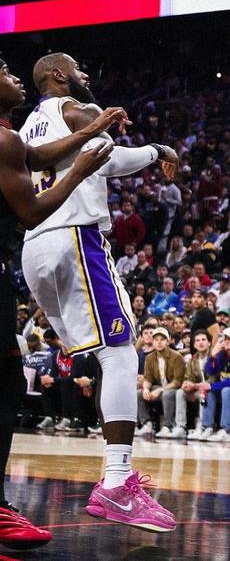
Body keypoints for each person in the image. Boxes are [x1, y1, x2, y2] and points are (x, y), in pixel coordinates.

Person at [19, 52, 179, 532]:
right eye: (78, 68)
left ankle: (117, 474)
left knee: (106, 357)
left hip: (35, 247)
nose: (86, 75)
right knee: (121, 354)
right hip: (75, 237)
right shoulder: (79, 109)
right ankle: (116, 482)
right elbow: (114, 160)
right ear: (57, 75)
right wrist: (159, 151)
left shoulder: (26, 130)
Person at [0, 56, 126, 549]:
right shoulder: (5, 138)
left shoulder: (15, 137)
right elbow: (31, 211)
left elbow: (35, 157)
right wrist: (79, 172)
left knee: (9, 382)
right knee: (7, 386)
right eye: (3, 70)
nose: (13, 76)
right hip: (42, 241)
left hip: (21, 260)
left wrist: (91, 128)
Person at [136, 327, 185, 438]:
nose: (159, 342)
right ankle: (147, 424)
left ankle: (168, 425)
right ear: (153, 342)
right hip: (158, 387)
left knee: (167, 394)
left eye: (162, 339)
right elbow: (148, 378)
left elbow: (177, 382)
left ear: (168, 341)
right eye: (156, 340)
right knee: (139, 394)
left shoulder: (177, 356)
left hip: (173, 389)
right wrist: (146, 389)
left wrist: (160, 390)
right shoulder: (150, 358)